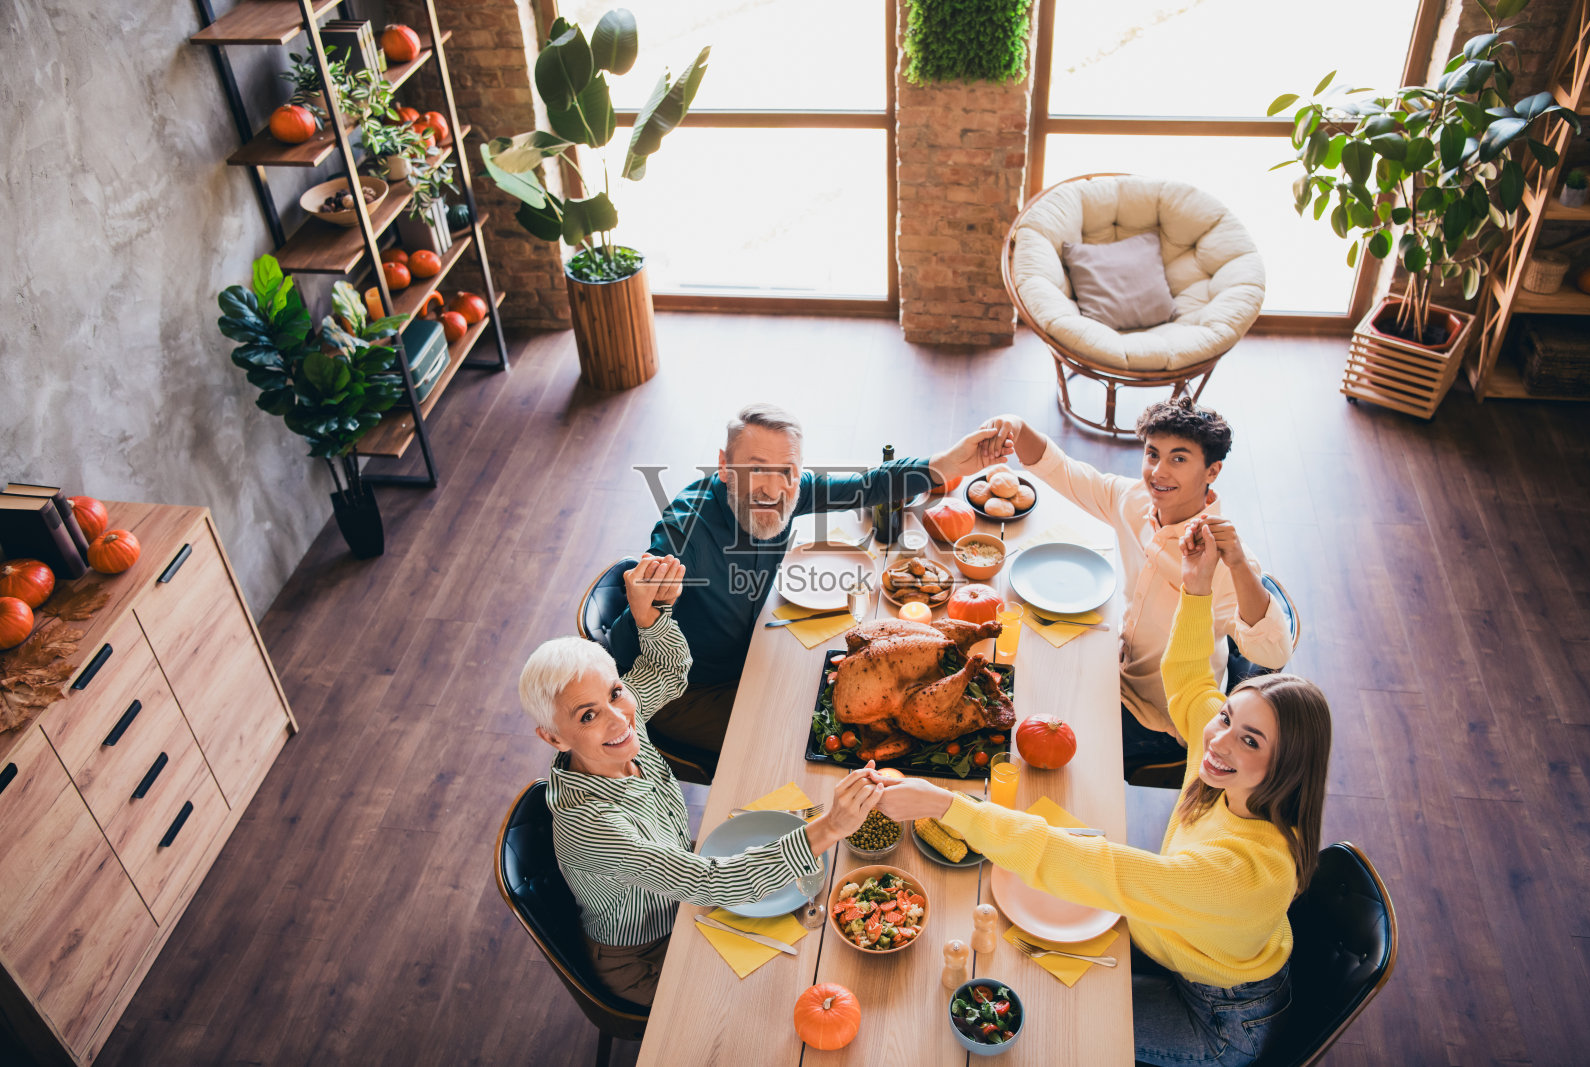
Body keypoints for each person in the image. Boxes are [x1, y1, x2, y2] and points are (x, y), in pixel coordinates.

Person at [874, 520, 1331, 1066]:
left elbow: (1096, 869)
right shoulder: (1226, 765)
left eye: (1249, 739)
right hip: (1169, 936)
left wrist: (945, 804)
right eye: (1229, 717)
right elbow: (1189, 679)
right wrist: (1197, 584)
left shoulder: (1243, 874)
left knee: (1049, 1029)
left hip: (1215, 1015)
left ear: (1287, 765)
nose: (1217, 738)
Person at [520, 552, 884, 1005]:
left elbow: (666, 672)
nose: (619, 721)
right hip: (645, 956)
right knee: (768, 998)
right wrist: (829, 826)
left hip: (684, 891)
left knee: (814, 940)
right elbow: (711, 883)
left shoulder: (623, 723)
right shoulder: (592, 825)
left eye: (615, 692)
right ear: (553, 737)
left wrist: (650, 616)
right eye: (588, 715)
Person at [608, 402, 999, 756]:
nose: (774, 489)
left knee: (850, 702)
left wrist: (947, 464)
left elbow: (871, 484)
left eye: (787, 472)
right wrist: (644, 611)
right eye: (756, 467)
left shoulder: (793, 488)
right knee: (799, 738)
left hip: (751, 653)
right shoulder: (683, 532)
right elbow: (627, 654)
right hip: (684, 690)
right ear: (725, 466)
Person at [978, 399, 1291, 767]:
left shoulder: (1226, 560)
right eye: (1152, 454)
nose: (1158, 472)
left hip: (1160, 716)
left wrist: (1238, 564)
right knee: (1017, 679)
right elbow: (1065, 471)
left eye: (1179, 458)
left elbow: (1274, 655)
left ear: (1212, 470)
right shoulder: (1135, 500)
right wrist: (1015, 423)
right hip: (1113, 663)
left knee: (1031, 745)